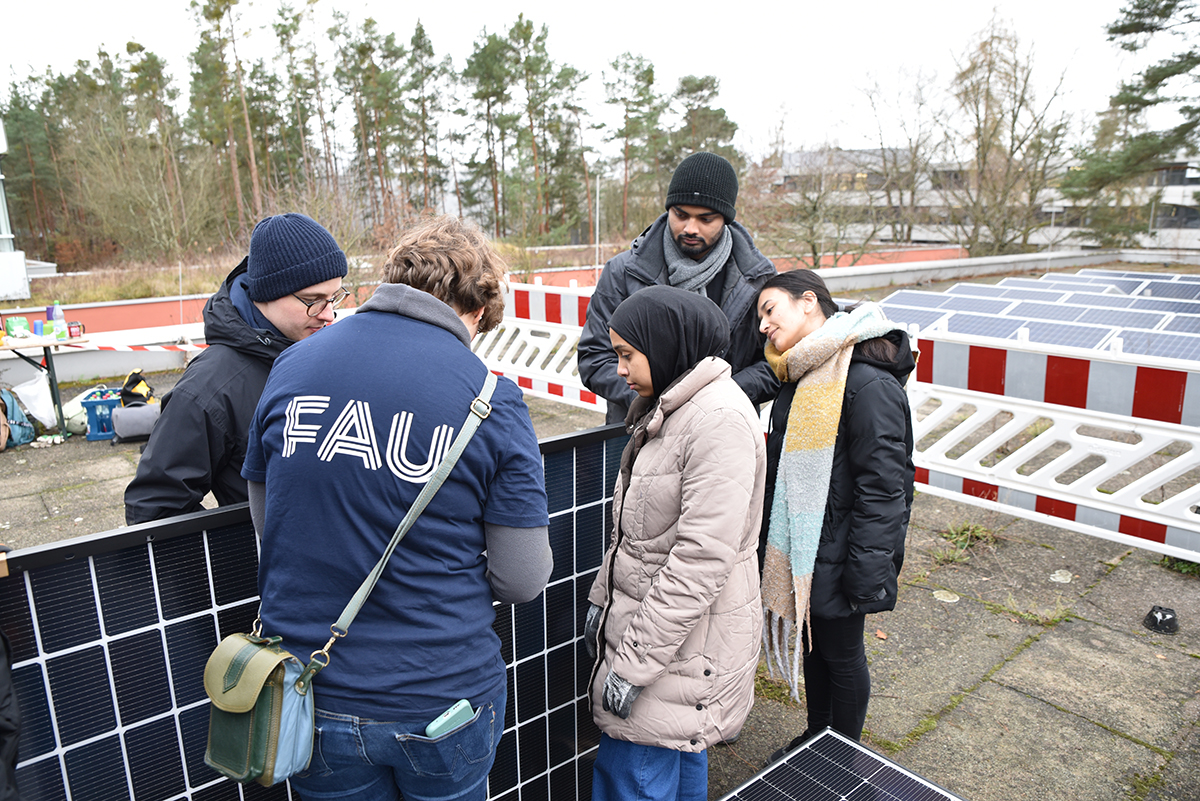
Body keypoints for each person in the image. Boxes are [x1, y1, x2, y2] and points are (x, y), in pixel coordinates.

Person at [243, 215, 552, 801]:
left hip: (311, 690)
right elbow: (521, 576)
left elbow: (268, 521)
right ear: (478, 309)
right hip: (440, 695)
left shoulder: (293, 366)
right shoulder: (491, 396)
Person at [583, 285, 765, 801]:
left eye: (626, 354)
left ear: (666, 344)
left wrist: (634, 663)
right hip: (668, 638)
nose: (618, 369)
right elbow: (636, 535)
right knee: (675, 761)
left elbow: (700, 559)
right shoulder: (674, 409)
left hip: (678, 648)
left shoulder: (716, 422)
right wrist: (603, 598)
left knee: (634, 772)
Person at [756, 269, 915, 758]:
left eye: (769, 309)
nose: (762, 325)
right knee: (814, 649)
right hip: (812, 547)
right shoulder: (802, 375)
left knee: (842, 657)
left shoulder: (865, 382)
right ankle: (817, 736)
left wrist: (867, 570)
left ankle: (843, 755)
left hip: (843, 551)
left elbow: (886, 489)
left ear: (808, 301)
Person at [124, 213, 349, 524]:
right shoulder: (209, 387)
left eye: (334, 298)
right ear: (267, 293)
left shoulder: (323, 349)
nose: (329, 316)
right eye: (313, 300)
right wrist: (238, 560)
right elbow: (155, 508)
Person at [577, 151, 778, 424]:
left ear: (726, 219)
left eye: (705, 219)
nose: (690, 228)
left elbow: (777, 361)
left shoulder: (758, 278)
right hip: (639, 430)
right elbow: (594, 358)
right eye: (680, 215)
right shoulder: (623, 272)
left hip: (725, 429)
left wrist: (718, 396)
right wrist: (655, 399)